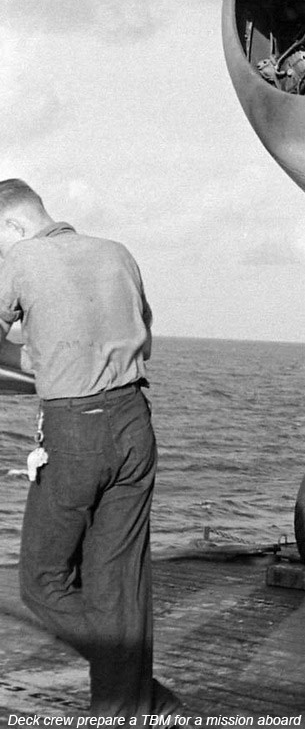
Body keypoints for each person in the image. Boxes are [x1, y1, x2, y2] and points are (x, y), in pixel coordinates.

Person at [0, 179, 181, 716]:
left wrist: (38, 357)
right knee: (117, 585)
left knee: (42, 583)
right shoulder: (118, 254)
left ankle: (137, 691)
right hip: (135, 424)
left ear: (14, 225)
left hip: (76, 430)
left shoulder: (21, 259)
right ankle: (128, 708)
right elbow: (145, 341)